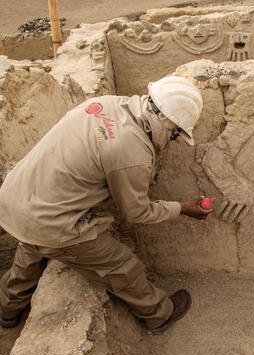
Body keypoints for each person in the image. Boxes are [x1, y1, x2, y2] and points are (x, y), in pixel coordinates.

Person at [0, 75, 211, 334]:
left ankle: (7, 312)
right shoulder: (131, 151)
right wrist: (183, 208)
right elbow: (137, 212)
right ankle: (159, 315)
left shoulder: (106, 104)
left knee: (29, 254)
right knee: (122, 265)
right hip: (49, 221)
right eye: (176, 135)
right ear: (167, 123)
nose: (173, 140)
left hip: (16, 200)